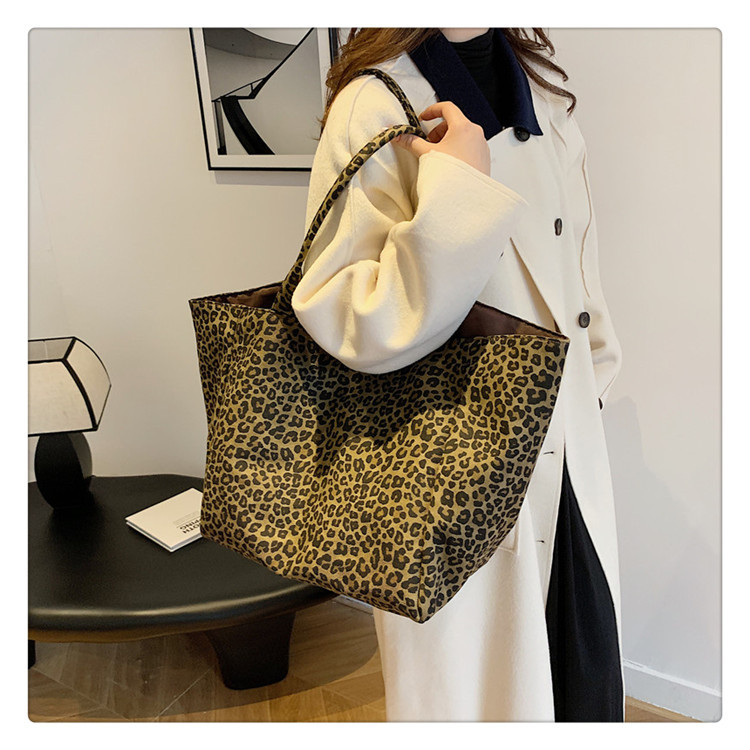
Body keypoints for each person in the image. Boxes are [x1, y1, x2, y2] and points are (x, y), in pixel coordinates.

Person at [291, 28, 624, 722]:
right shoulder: (373, 102)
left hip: (566, 451)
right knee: (481, 696)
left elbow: (577, 269)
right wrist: (459, 188)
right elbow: (352, 318)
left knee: (582, 683)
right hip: (447, 476)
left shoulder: (539, 89)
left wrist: (591, 382)